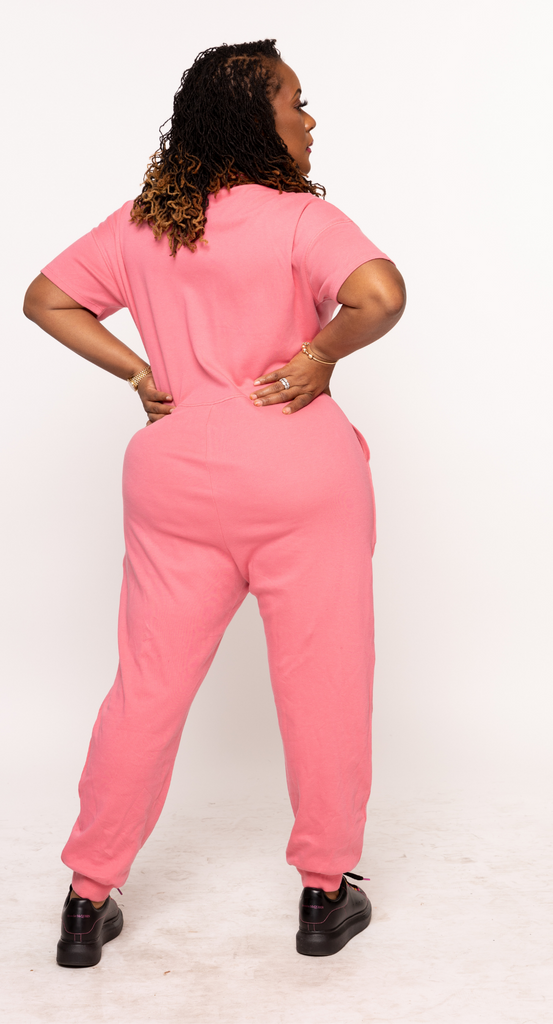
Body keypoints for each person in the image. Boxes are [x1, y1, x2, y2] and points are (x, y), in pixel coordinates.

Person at [23, 38, 406, 964]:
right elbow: (379, 294)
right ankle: (324, 893)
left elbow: (45, 298)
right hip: (297, 475)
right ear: (253, 122)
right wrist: (316, 356)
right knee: (323, 681)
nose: (308, 119)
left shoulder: (143, 224)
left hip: (176, 479)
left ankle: (87, 898)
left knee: (146, 687)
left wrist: (140, 373)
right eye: (295, 102)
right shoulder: (299, 219)